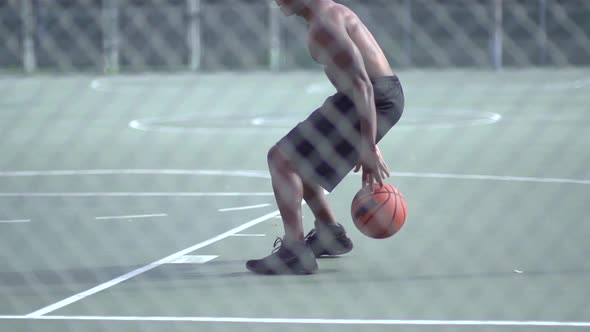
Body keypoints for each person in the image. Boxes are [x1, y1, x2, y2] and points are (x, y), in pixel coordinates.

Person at [246, 0, 404, 274]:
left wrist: (367, 144)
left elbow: (362, 84)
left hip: (371, 97)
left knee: (281, 159)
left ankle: (294, 252)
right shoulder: (325, 14)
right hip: (369, 97)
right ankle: (330, 234)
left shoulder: (324, 24)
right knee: (298, 161)